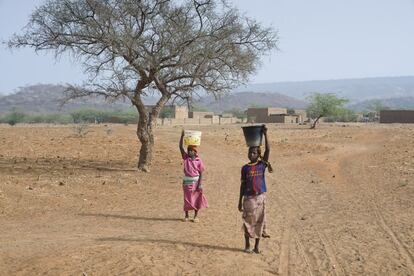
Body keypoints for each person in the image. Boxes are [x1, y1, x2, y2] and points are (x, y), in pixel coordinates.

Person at [238, 125, 273, 254]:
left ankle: (257, 246)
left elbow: (268, 149)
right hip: (248, 198)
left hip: (260, 197)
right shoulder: (245, 168)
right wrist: (239, 200)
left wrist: (265, 134)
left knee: (260, 221)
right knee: (248, 222)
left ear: (258, 155)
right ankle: (247, 244)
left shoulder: (261, 165)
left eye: (254, 153)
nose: (251, 154)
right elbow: (242, 185)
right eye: (249, 152)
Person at [179, 129, 208, 222]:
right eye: (188, 150)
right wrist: (182, 136)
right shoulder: (186, 158)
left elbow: (201, 173)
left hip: (196, 182)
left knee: (197, 199)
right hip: (187, 181)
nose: (189, 152)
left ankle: (195, 216)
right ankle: (186, 215)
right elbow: (180, 147)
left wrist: (199, 184)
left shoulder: (199, 161)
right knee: (187, 199)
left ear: (195, 152)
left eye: (191, 150)